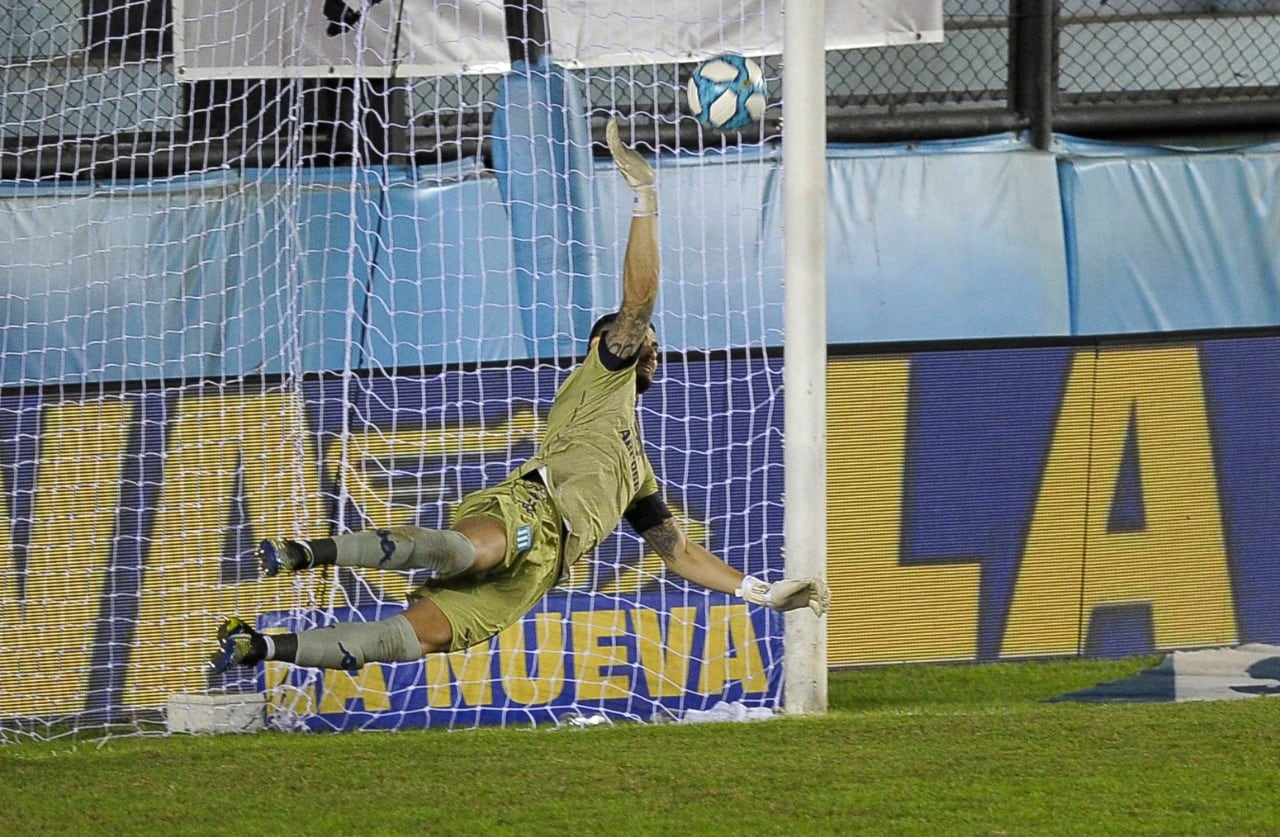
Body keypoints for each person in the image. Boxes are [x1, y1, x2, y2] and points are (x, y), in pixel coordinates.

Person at [208, 118, 828, 675]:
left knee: (405, 641)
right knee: (465, 551)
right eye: (641, 341)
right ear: (610, 348)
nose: (650, 348)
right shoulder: (601, 380)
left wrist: (761, 592)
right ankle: (301, 553)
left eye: (649, 343)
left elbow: (680, 553)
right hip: (532, 511)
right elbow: (637, 302)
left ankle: (258, 647)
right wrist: (646, 200)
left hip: (538, 576)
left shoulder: (636, 473)